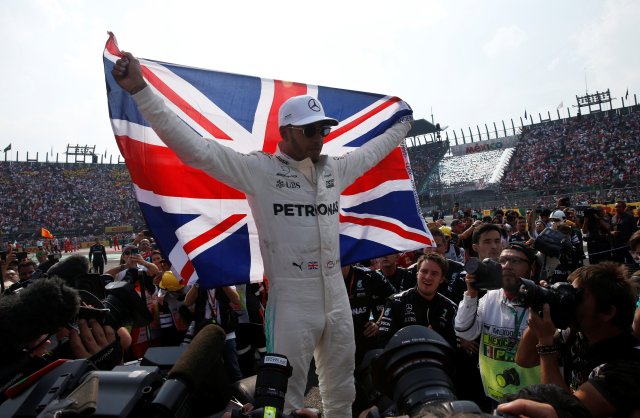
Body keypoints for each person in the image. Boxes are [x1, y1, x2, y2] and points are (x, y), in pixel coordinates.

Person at [112, 52, 412, 418]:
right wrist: (141, 90)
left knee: (342, 390)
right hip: (291, 298)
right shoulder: (259, 170)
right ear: (286, 132)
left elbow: (374, 150)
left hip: (336, 294)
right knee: (282, 398)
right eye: (310, 130)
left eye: (324, 129)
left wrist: (402, 123)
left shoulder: (335, 169)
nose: (320, 137)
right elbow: (195, 150)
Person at [516, 262, 640, 417]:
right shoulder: (578, 335)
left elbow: (562, 412)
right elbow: (525, 360)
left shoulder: (627, 367)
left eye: (577, 296)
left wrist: (546, 343)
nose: (569, 301)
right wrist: (543, 303)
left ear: (608, 312)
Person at [455, 243, 540, 404]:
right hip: (496, 394)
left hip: (533, 397)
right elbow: (464, 331)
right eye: (503, 260)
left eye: (515, 261)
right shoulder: (490, 297)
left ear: (532, 268)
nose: (507, 265)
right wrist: (471, 293)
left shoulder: (541, 300)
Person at [377, 253, 457, 348]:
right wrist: (417, 338)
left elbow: (453, 347)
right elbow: (383, 342)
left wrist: (435, 338)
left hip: (436, 360)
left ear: (441, 279)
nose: (428, 277)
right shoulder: (396, 302)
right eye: (424, 271)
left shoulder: (450, 308)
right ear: (417, 274)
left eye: (434, 273)